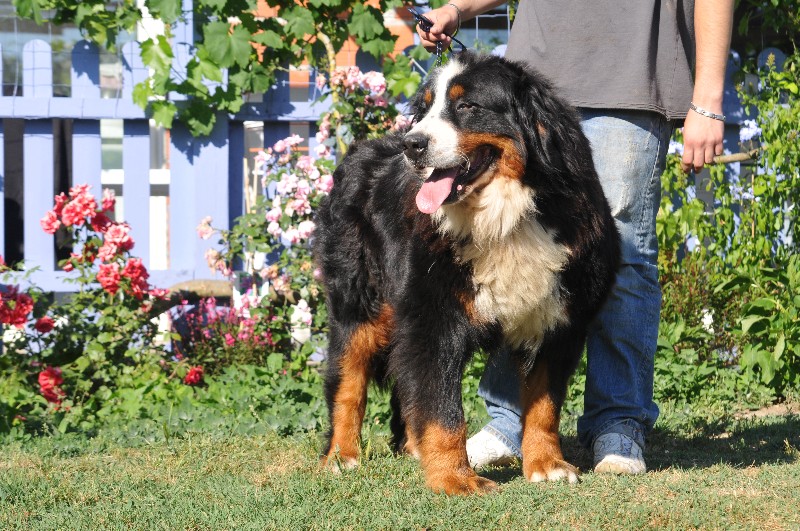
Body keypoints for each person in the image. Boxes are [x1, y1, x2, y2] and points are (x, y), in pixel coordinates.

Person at [415, 0, 733, 474]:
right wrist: (459, 7)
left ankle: (618, 421)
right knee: (506, 253)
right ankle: (508, 423)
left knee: (620, 248)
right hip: (526, 79)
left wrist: (707, 96)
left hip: (632, 78)